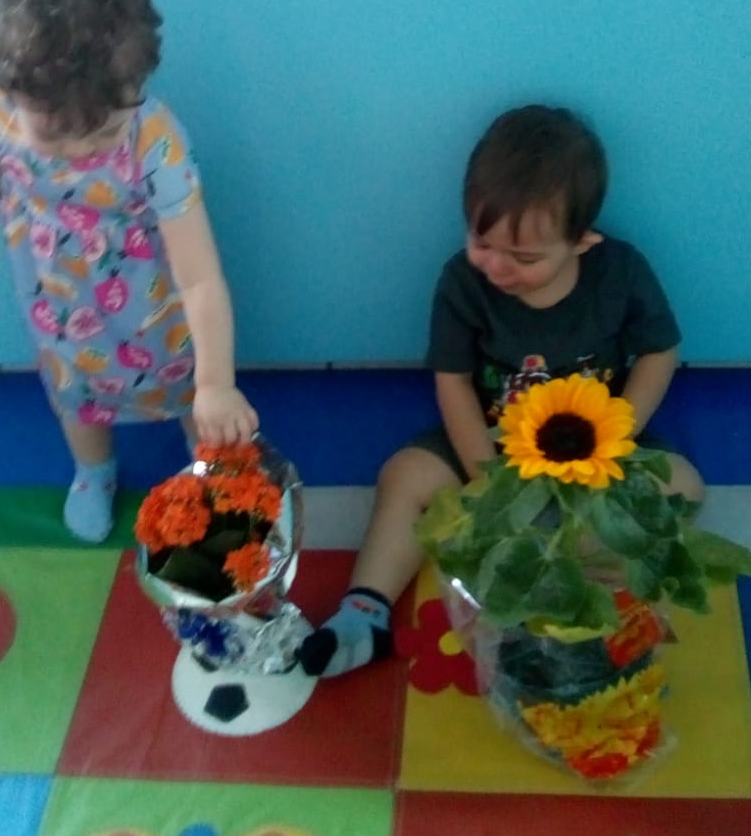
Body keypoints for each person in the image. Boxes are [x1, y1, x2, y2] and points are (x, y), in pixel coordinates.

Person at [299, 104, 702, 679]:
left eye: (525, 258)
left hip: (593, 455)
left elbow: (661, 351)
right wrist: (488, 481)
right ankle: (366, 612)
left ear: (582, 242)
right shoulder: (462, 283)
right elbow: (454, 380)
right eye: (481, 241)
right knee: (404, 476)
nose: (497, 267)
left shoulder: (621, 272)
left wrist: (618, 435)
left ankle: (562, 575)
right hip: (491, 441)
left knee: (683, 489)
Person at [0, 0, 257, 543]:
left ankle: (210, 462)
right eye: (54, 131)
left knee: (191, 393)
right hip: (58, 299)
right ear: (10, 91)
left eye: (104, 130)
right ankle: (93, 470)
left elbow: (200, 277)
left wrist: (217, 382)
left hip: (153, 306)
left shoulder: (153, 142)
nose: (80, 149)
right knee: (74, 392)